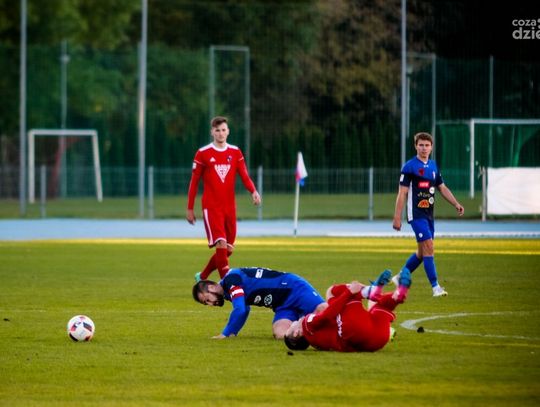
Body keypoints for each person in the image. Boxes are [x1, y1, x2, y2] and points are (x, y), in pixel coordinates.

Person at [192, 267, 391, 340]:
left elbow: (241, 309)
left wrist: (226, 333)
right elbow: (244, 310)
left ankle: (368, 299)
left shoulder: (231, 280)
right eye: (206, 303)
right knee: (282, 335)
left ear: (211, 287)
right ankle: (308, 322)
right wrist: (233, 332)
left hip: (293, 288)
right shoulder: (228, 290)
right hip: (283, 306)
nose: (209, 304)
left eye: (206, 299)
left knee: (324, 310)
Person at [186, 116, 261, 281]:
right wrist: (190, 208)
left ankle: (202, 276)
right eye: (217, 130)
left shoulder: (235, 152)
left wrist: (253, 191)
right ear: (212, 132)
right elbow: (194, 182)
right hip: (211, 207)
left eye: (223, 130)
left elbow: (244, 175)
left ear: (228, 132)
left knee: (228, 249)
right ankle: (227, 286)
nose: (220, 133)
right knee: (220, 243)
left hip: (229, 207)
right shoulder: (203, 153)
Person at [392, 132, 464, 297]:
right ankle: (435, 287)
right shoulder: (409, 167)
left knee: (421, 253)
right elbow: (402, 193)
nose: (424, 148)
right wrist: (397, 217)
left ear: (431, 147)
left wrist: (456, 203)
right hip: (416, 215)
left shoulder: (433, 166)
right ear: (415, 146)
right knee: (429, 247)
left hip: (429, 215)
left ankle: (400, 276)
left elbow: (442, 188)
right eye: (421, 145)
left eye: (427, 145)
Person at [283, 269, 411, 352]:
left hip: (376, 341)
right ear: (297, 333)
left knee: (381, 307)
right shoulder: (306, 326)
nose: (293, 322)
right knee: (332, 292)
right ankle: (370, 291)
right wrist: (349, 292)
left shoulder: (316, 342)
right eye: (291, 326)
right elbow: (327, 315)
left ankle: (397, 296)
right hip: (353, 331)